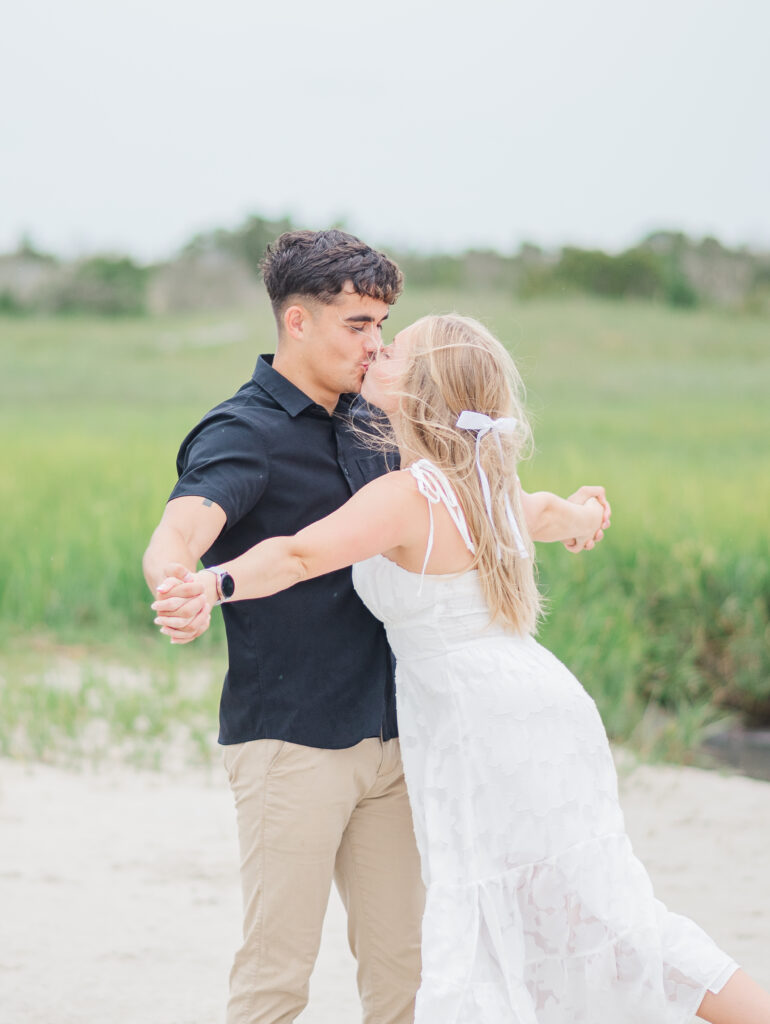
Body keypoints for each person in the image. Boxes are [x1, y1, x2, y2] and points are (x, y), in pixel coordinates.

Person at [154, 312, 770, 1024]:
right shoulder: (484, 476)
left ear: (419, 389)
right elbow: (543, 512)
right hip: (534, 702)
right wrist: (581, 513)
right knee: (592, 905)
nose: (377, 351)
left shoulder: (410, 493)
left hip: (480, 723)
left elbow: (298, 555)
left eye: (395, 351)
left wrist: (214, 583)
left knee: (510, 906)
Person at [142, 230, 608, 1024]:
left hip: (402, 740)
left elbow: (472, 506)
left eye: (383, 325)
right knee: (276, 972)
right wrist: (176, 586)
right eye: (358, 325)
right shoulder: (242, 431)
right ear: (297, 321)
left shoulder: (385, 419)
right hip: (292, 742)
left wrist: (571, 513)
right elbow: (181, 528)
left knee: (406, 975)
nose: (377, 344)